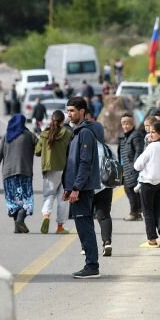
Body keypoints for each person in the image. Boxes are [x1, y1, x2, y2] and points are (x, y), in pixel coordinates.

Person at [61, 97, 102, 279]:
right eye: (68, 110)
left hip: (83, 189)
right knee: (82, 226)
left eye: (72, 111)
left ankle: (92, 266)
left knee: (85, 227)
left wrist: (76, 187)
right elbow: (72, 163)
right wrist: (68, 187)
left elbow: (85, 162)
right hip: (77, 187)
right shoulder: (76, 132)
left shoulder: (85, 133)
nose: (69, 114)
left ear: (82, 111)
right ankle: (90, 264)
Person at [134, 120, 160, 248]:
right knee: (157, 208)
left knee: (148, 211)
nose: (150, 134)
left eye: (153, 132)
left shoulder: (152, 147)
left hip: (148, 182)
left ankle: (152, 239)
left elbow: (137, 165)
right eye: (150, 132)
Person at [0, 115, 37, 233]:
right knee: (26, 200)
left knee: (13, 200)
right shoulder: (29, 135)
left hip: (8, 174)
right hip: (24, 172)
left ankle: (17, 226)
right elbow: (40, 150)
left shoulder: (7, 136)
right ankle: (20, 221)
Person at [35, 109, 71, 235]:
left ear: (52, 120)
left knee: (49, 195)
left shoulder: (44, 134)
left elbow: (37, 152)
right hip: (64, 169)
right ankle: (60, 227)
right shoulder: (67, 133)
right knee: (63, 198)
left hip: (49, 169)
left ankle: (46, 215)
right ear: (62, 121)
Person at [88, 117, 115, 257]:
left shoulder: (86, 147)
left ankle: (86, 245)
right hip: (106, 186)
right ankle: (107, 242)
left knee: (87, 217)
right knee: (104, 216)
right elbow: (115, 163)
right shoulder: (107, 148)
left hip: (88, 187)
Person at [118, 113, 145, 221]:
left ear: (132, 123)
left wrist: (135, 168)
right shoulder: (126, 136)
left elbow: (139, 151)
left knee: (131, 189)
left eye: (128, 123)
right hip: (127, 168)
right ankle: (137, 212)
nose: (125, 125)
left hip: (133, 168)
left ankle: (135, 213)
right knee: (130, 189)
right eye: (123, 123)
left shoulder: (136, 135)